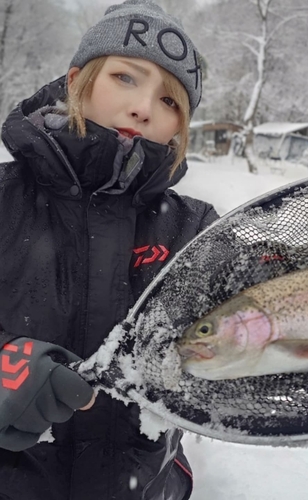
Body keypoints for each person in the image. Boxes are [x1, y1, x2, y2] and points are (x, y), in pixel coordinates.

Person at [0, 0, 218, 498]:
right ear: (78, 79)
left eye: (170, 101)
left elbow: (261, 330)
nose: (143, 107)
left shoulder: (197, 229)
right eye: (126, 77)